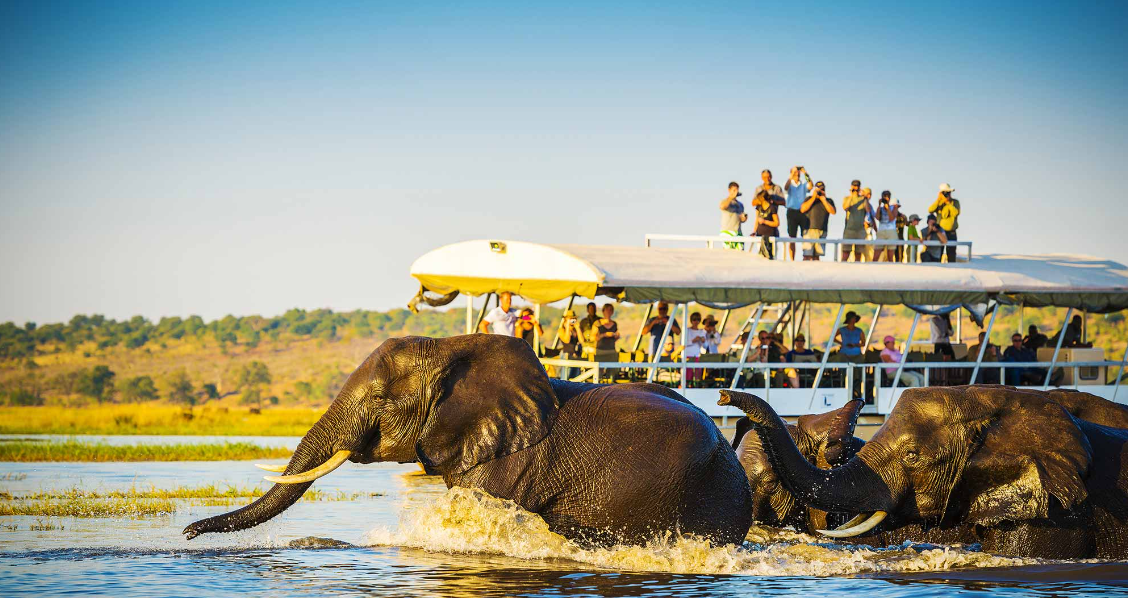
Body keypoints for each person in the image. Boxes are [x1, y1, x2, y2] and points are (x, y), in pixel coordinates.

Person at [800, 181, 836, 261]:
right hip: (809, 231)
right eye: (818, 190)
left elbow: (833, 211)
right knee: (807, 255)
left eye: (822, 189)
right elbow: (802, 209)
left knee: (817, 257)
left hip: (822, 231)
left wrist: (824, 200)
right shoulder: (809, 199)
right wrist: (814, 197)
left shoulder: (828, 200)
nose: (820, 191)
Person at [783, 166, 813, 260]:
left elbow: (811, 186)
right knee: (792, 237)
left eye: (798, 172)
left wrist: (805, 173)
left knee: (805, 235)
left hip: (802, 212)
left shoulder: (803, 184)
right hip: (792, 212)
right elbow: (786, 187)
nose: (797, 174)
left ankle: (806, 256)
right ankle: (792, 259)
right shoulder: (789, 184)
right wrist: (791, 175)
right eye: (795, 172)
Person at [928, 183, 961, 262]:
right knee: (938, 253)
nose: (947, 195)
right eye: (945, 193)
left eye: (948, 192)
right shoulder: (939, 203)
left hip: (951, 232)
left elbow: (956, 213)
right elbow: (930, 210)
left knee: (951, 253)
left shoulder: (955, 202)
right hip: (940, 232)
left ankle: (953, 270)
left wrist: (948, 203)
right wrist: (938, 200)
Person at [841, 180, 870, 262]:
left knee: (858, 253)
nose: (855, 188)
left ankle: (857, 271)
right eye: (854, 186)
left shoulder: (863, 199)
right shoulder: (847, 198)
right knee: (846, 253)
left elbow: (868, 210)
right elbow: (845, 207)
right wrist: (851, 195)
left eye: (857, 186)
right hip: (849, 229)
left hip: (860, 230)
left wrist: (865, 198)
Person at [555, 309, 584, 380]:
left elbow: (582, 341)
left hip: (576, 355)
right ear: (565, 319)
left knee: (576, 378)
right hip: (566, 354)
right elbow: (566, 340)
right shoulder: (561, 330)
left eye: (573, 318)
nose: (572, 320)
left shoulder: (576, 329)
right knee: (565, 377)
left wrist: (578, 328)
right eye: (570, 319)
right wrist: (567, 327)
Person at [753, 188, 780, 259]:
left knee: (772, 257)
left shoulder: (772, 208)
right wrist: (754, 231)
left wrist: (765, 222)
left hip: (771, 236)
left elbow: (776, 223)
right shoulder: (758, 208)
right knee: (760, 257)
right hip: (760, 235)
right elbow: (756, 220)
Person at [718, 181, 747, 249]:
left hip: (738, 232)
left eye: (737, 190)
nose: (736, 192)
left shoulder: (740, 204)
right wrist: (731, 197)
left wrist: (744, 218)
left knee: (740, 253)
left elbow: (741, 219)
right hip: (727, 231)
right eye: (734, 190)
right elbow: (722, 206)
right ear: (729, 190)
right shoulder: (725, 201)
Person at [873, 191, 899, 262]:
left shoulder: (894, 207)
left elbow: (891, 218)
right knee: (875, 256)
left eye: (887, 197)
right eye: (884, 196)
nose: (886, 198)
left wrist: (887, 208)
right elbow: (877, 217)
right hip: (881, 231)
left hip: (891, 232)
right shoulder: (880, 208)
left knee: (890, 257)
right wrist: (879, 205)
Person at [683, 312, 707, 384]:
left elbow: (705, 346)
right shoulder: (687, 330)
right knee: (687, 376)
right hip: (687, 356)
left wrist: (703, 341)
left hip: (697, 355)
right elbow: (683, 344)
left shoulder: (702, 332)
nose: (696, 321)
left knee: (697, 376)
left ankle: (696, 386)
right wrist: (693, 340)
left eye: (698, 319)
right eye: (694, 319)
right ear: (691, 320)